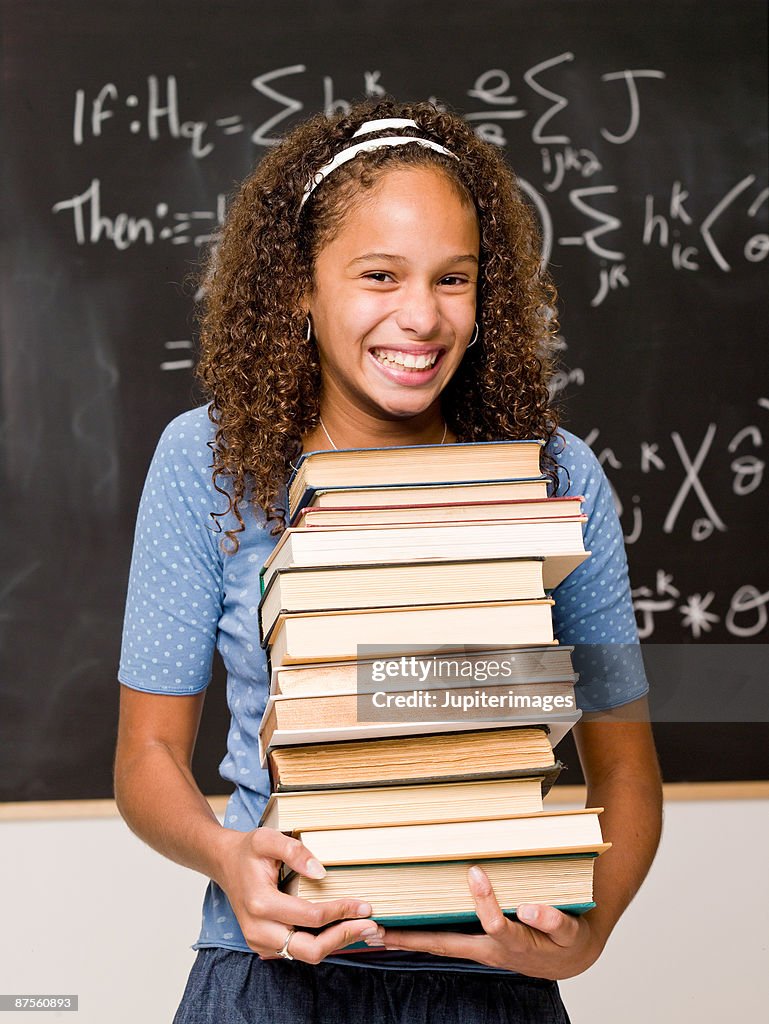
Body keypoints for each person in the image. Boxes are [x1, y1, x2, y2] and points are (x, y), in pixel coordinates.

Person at [115, 98, 663, 1023]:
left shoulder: (557, 477)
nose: (420, 317)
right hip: (271, 972)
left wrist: (591, 927)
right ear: (300, 283)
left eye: (454, 279)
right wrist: (224, 855)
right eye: (379, 275)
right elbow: (147, 756)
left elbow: (625, 768)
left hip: (493, 984)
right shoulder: (210, 461)